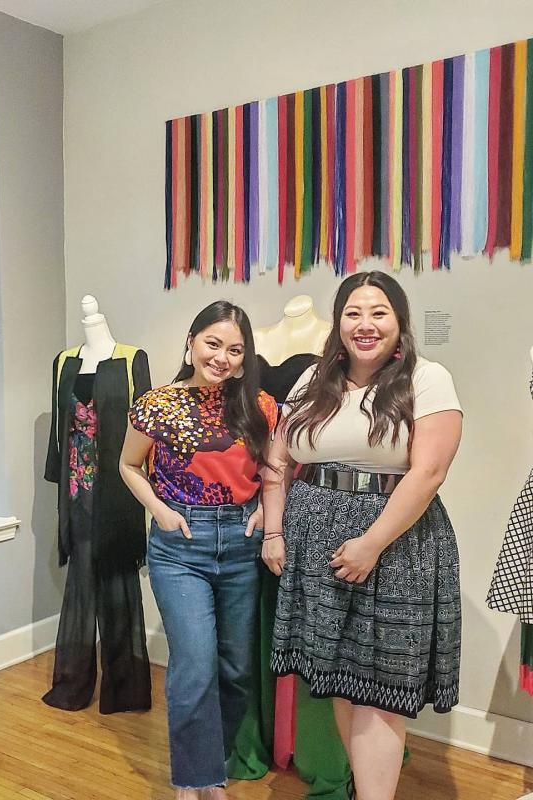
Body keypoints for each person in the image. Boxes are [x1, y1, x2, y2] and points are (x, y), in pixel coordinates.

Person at [262, 271, 463, 800]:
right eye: (354, 312)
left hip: (394, 549)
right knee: (340, 678)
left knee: (378, 691)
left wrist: (372, 542)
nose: (365, 324)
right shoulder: (312, 381)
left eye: (379, 312)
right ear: (338, 321)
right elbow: (278, 459)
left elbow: (428, 473)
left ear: (400, 322)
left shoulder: (427, 378)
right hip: (315, 543)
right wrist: (275, 531)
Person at [120, 301, 278, 799]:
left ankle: (212, 762)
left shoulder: (261, 405)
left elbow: (274, 471)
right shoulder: (157, 403)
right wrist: (161, 512)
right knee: (194, 664)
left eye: (235, 349)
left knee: (235, 670)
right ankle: (196, 781)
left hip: (240, 544)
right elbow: (128, 466)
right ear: (191, 341)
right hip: (179, 545)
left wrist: (264, 515)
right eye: (213, 344)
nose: (223, 358)